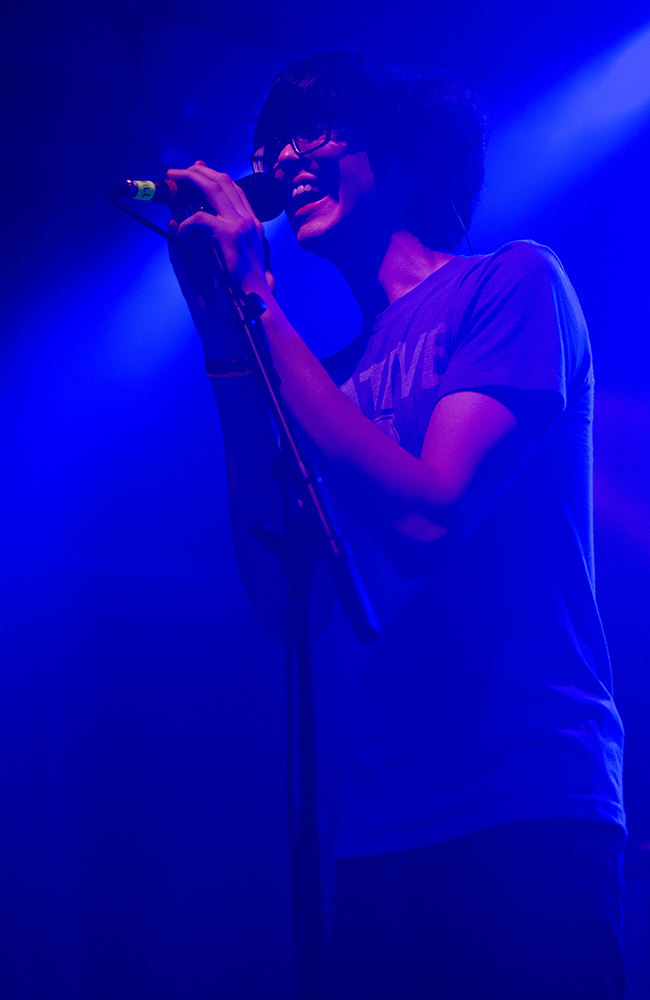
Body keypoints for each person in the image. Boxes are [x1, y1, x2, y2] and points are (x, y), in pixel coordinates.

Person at [167, 48, 626, 999]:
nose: (284, 158)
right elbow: (280, 598)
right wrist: (224, 338)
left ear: (410, 155)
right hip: (383, 830)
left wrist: (258, 298)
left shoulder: (512, 284)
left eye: (317, 128)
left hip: (526, 805)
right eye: (272, 142)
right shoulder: (318, 372)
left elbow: (428, 519)